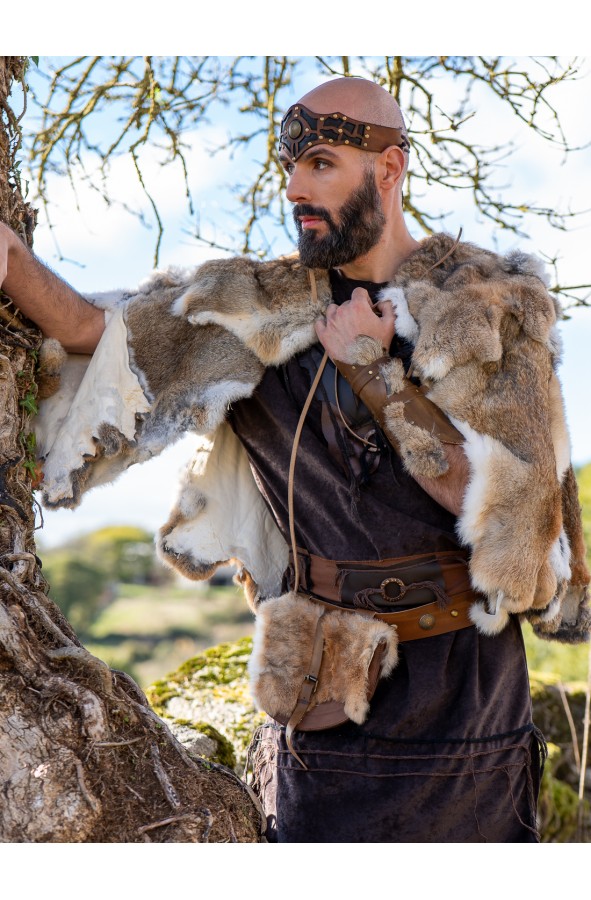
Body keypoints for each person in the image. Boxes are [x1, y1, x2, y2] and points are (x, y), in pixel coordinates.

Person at [0, 77, 553, 842]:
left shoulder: (482, 310)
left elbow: (509, 520)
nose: (294, 187)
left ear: (388, 169)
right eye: (289, 167)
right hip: (321, 710)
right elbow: (100, 333)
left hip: (469, 711)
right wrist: (10, 258)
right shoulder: (261, 309)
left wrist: (370, 368)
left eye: (320, 163)